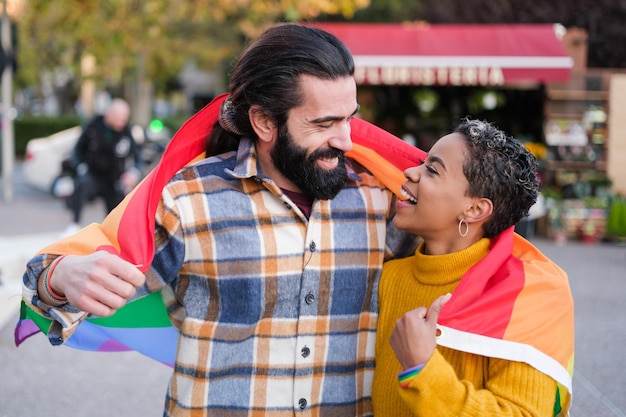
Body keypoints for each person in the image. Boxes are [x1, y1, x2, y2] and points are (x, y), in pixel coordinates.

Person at [21, 23, 421, 416]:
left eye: (349, 118)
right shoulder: (189, 198)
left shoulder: (383, 199)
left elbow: (460, 271)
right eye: (324, 124)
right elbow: (79, 282)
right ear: (264, 121)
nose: (347, 140)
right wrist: (59, 278)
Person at [372, 118, 575, 416]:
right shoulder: (390, 277)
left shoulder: (528, 297)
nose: (410, 172)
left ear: (475, 209)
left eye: (432, 170)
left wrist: (421, 370)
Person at [65, 98, 142, 234]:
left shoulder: (126, 131)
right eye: (119, 119)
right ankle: (74, 224)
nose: (122, 122)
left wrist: (133, 173)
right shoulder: (93, 126)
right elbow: (78, 150)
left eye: (124, 119)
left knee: (117, 211)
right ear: (109, 115)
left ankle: (114, 233)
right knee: (82, 185)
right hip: (93, 175)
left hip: (114, 179)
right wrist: (81, 167)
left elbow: (137, 156)